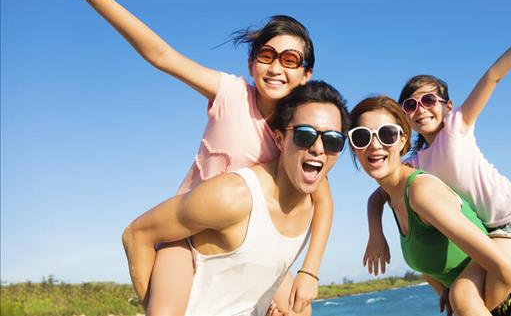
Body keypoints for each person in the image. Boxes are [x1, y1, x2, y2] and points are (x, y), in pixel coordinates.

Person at [44, 0, 333, 315]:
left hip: (245, 244)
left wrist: (309, 272)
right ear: (251, 64)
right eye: (267, 55)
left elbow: (323, 201)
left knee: (298, 311)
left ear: (305, 75)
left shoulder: (299, 131)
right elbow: (161, 54)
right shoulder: (231, 93)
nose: (276, 67)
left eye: (290, 60)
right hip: (188, 235)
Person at [363, 0, 511, 315]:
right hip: (492, 234)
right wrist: (377, 234)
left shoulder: (458, 126)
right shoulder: (414, 164)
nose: (421, 109)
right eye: (410, 105)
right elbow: (378, 196)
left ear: (448, 105)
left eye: (429, 100)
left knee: (464, 298)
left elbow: (493, 76)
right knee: (461, 299)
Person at [122, 80, 349, 316]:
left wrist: (310, 271)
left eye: (333, 140)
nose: (319, 148)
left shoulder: (315, 199)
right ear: (280, 140)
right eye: (305, 135)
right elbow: (136, 234)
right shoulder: (232, 197)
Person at [349, 96, 511, 316]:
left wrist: (465, 305)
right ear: (354, 147)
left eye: (386, 134)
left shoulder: (420, 192)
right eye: (361, 136)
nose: (374, 145)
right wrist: (375, 232)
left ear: (403, 140)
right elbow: (374, 199)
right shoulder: (393, 197)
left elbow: (505, 270)